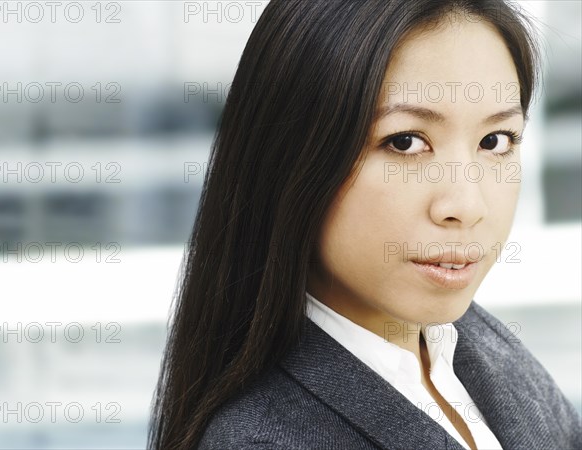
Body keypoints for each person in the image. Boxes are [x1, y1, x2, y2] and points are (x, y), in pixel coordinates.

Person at [148, 1, 582, 449]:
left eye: (495, 141)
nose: (466, 206)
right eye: (405, 142)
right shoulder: (266, 439)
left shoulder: (472, 344)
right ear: (288, 159)